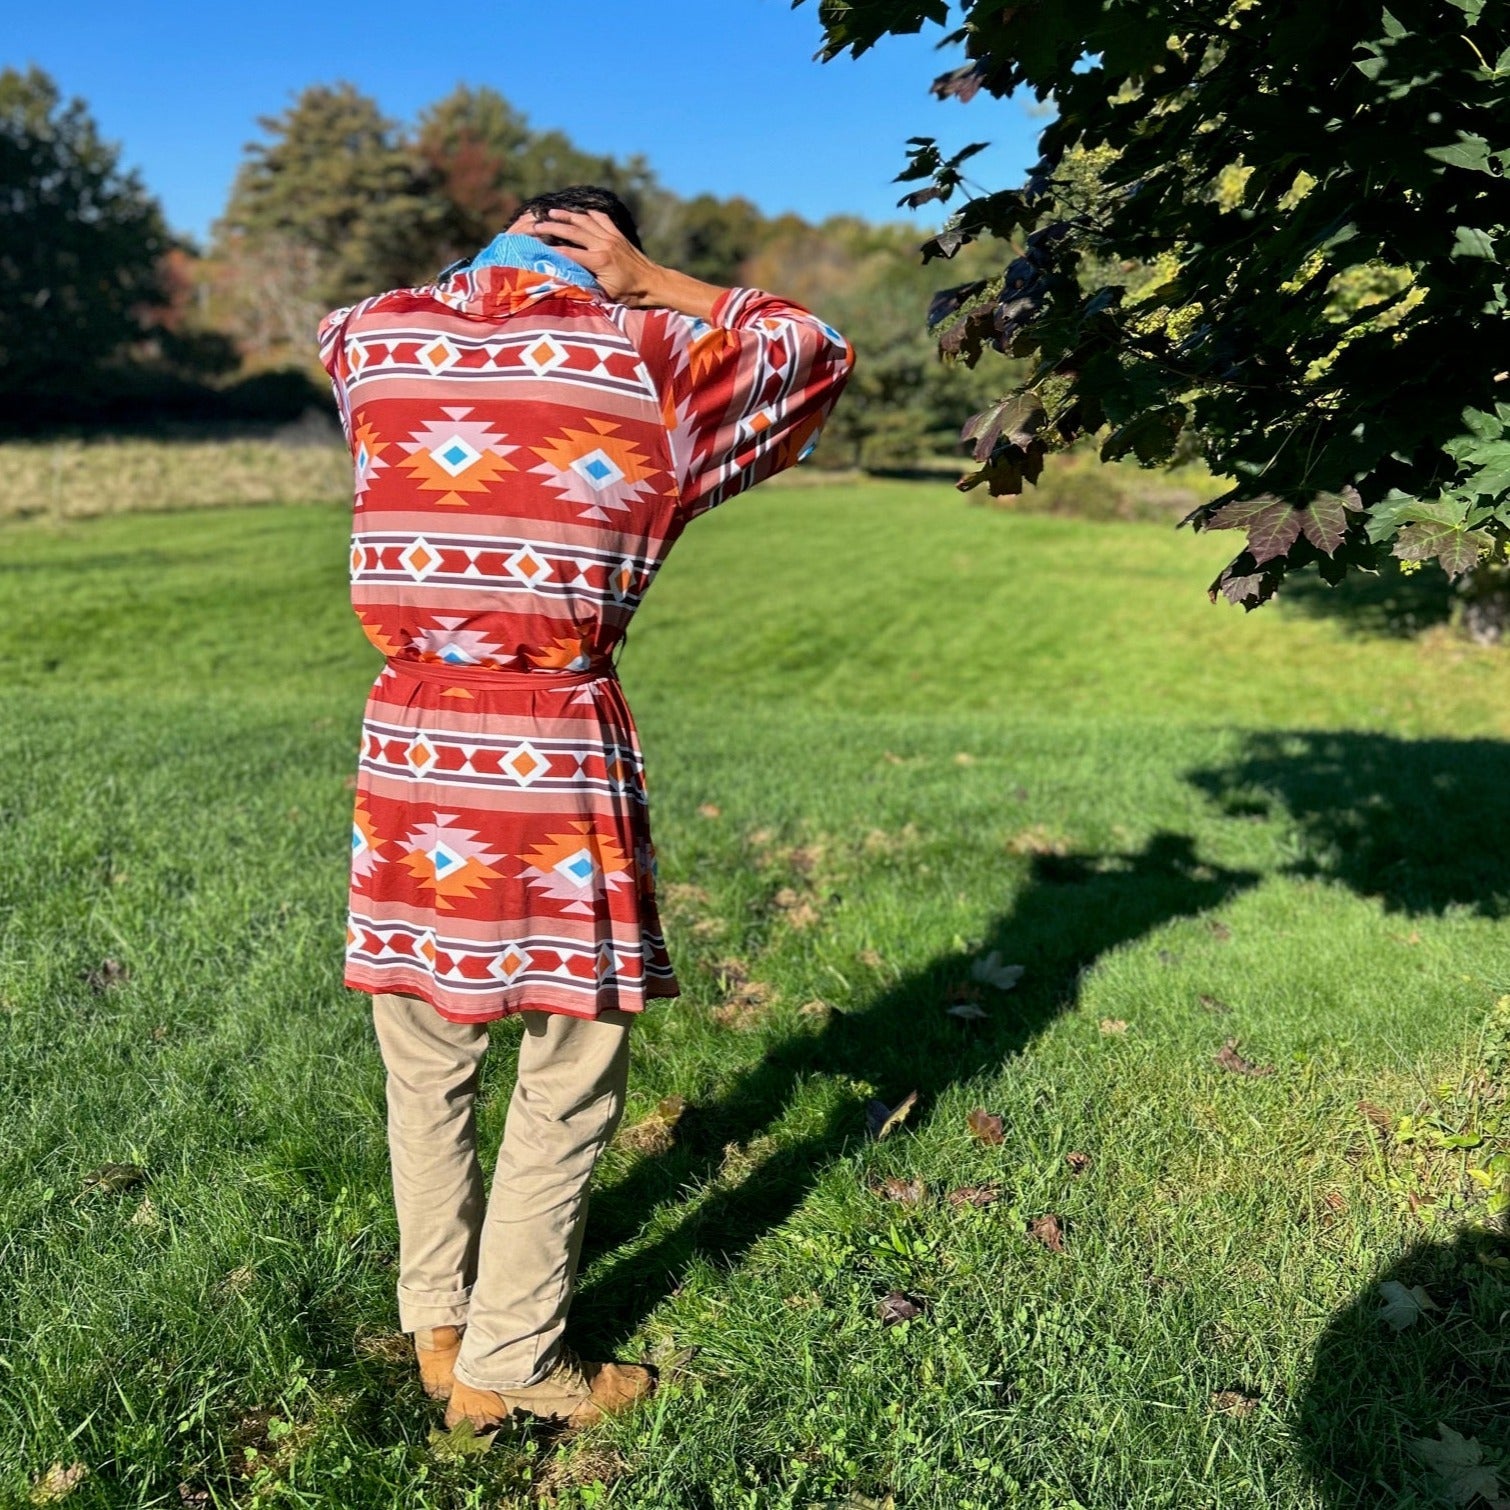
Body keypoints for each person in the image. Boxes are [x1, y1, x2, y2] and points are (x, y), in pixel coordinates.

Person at [317, 185, 854, 1431]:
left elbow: (337, 325)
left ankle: (439, 1320)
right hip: (554, 748)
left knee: (425, 1053)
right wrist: (654, 283)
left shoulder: (376, 339)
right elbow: (812, 348)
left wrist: (478, 275)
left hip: (413, 745)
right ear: (606, 246)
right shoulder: (649, 357)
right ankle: (512, 1356)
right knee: (569, 1062)